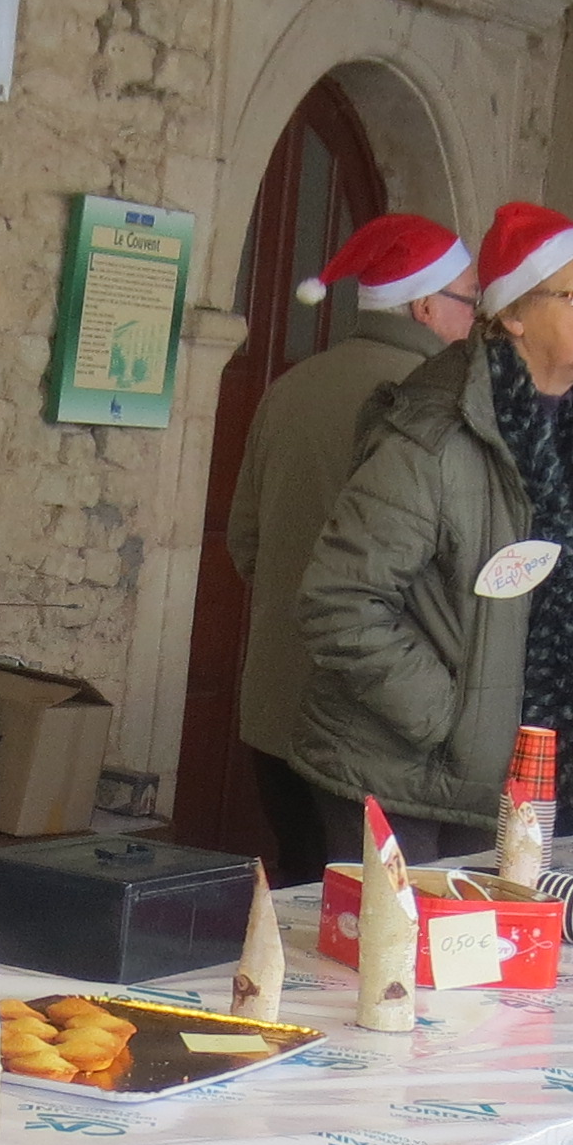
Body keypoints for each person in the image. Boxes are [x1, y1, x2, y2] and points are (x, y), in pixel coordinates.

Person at [287, 203, 573, 858]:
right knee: (399, 932)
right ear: (514, 314)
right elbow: (340, 602)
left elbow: (537, 602)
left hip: (499, 779)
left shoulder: (567, 432)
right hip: (398, 778)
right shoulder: (435, 435)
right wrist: (456, 719)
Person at [221, 213, 476, 888]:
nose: (476, 321)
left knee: (300, 897)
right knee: (378, 916)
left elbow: (245, 542)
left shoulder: (290, 386)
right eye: (469, 302)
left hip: (275, 710)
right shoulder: (439, 407)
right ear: (425, 306)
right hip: (377, 726)